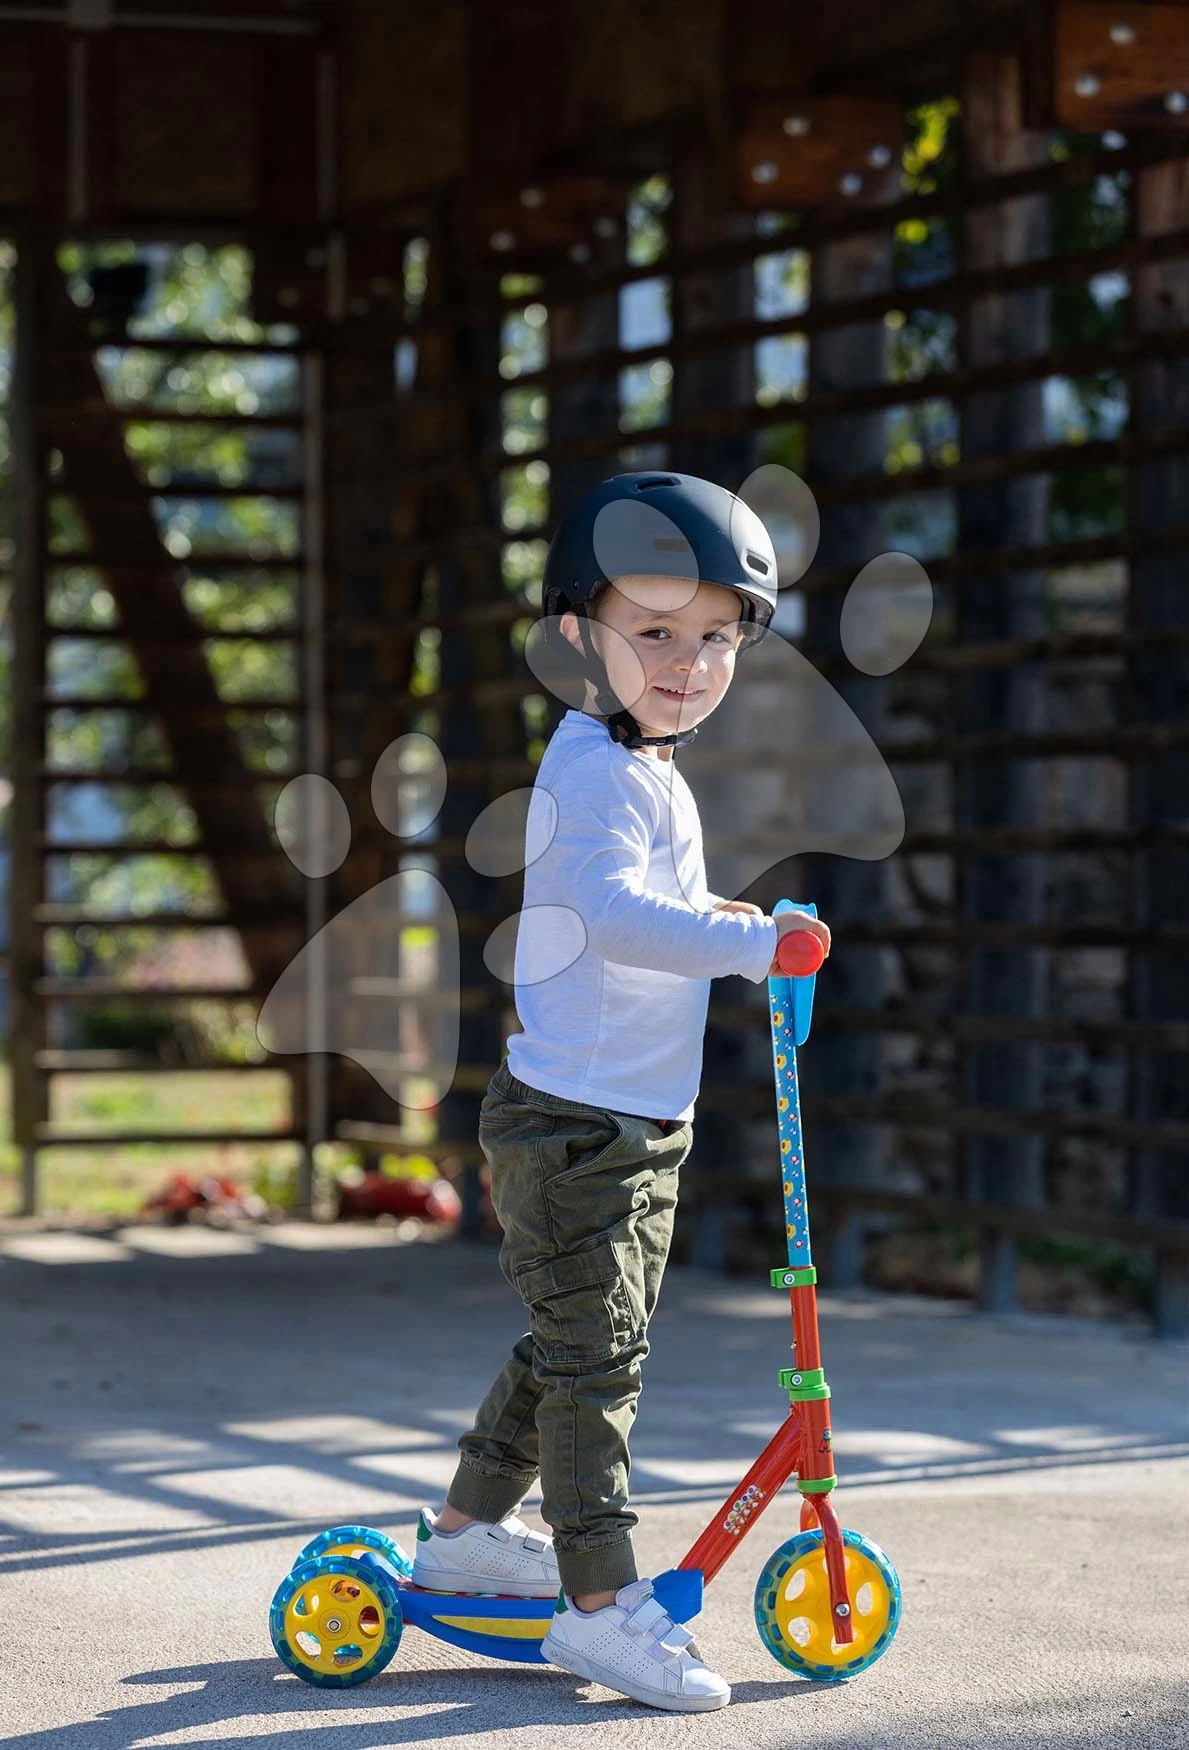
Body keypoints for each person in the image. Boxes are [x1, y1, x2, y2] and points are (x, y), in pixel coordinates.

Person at [412, 471, 830, 1710]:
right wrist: (751, 946)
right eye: (654, 633)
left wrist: (730, 918)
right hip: (576, 1125)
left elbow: (658, 908)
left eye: (715, 640)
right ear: (577, 638)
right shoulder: (592, 768)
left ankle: (459, 1535)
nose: (688, 665)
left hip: (626, 1122)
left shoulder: (647, 768)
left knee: (575, 1346)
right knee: (599, 1368)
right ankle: (598, 1608)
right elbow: (607, 912)